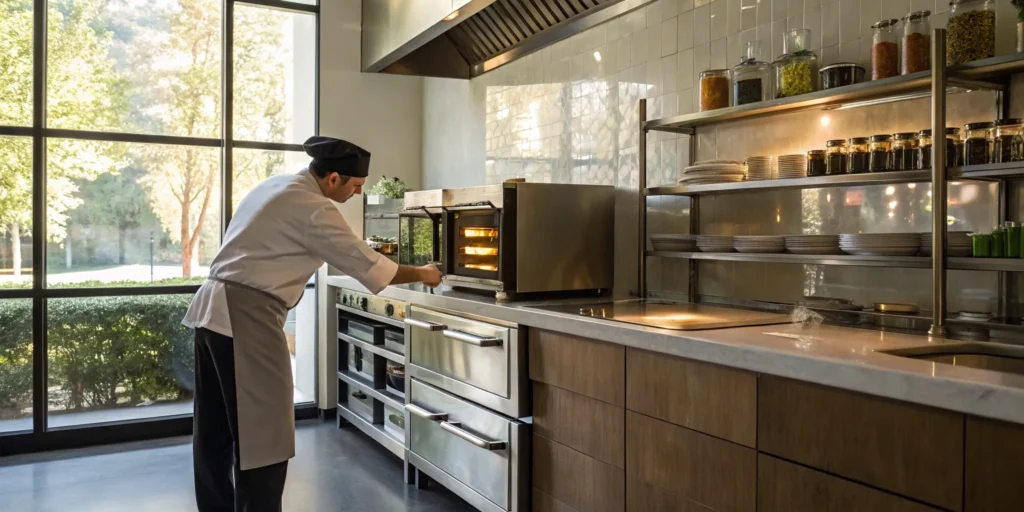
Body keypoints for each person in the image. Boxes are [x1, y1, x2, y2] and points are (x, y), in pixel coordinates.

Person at [182, 136, 441, 512]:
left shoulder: (275, 185)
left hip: (212, 312)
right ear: (332, 178)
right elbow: (370, 266)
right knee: (264, 436)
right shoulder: (313, 208)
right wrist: (427, 273)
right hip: (246, 318)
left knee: (215, 431)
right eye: (354, 187)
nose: (355, 194)